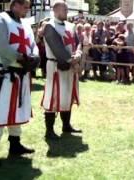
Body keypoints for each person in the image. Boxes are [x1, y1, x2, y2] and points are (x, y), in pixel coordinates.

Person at [0, 0, 39, 166]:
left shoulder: (25, 23)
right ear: (14, 4)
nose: (27, 10)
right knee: (0, 112)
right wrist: (22, 58)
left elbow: (33, 45)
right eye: (25, 6)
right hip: (4, 76)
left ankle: (15, 145)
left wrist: (35, 58)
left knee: (17, 111)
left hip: (21, 76)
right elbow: (3, 47)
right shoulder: (0, 19)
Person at [41, 1, 82, 139]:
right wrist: (73, 62)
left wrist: (78, 54)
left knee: (67, 95)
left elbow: (78, 43)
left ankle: (66, 125)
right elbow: (57, 48)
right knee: (53, 96)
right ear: (56, 10)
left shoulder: (71, 26)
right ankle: (49, 130)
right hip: (55, 67)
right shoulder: (49, 26)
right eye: (64, 9)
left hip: (70, 67)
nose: (67, 12)